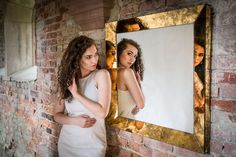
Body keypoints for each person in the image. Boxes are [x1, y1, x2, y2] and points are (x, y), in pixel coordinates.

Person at [54, 35, 111, 157]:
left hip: (93, 145)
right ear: (76, 59)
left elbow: (102, 112)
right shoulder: (67, 80)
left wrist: (76, 94)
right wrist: (75, 121)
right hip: (67, 143)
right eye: (88, 57)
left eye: (96, 54)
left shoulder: (101, 75)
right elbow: (57, 116)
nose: (94, 60)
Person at [117, 38, 145, 120]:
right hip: (126, 126)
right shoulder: (127, 72)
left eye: (135, 56)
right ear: (119, 52)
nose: (132, 59)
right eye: (129, 54)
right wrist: (138, 83)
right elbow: (141, 105)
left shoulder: (110, 73)